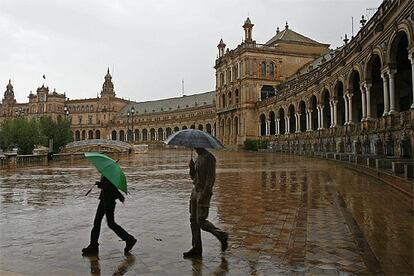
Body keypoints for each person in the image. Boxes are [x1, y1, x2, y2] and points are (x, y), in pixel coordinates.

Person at [183, 147, 228, 258]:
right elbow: (194, 177)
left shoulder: (209, 158)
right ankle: (196, 247)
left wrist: (205, 194)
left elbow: (210, 179)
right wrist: (191, 169)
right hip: (194, 191)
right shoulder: (198, 158)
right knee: (193, 220)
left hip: (203, 192)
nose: (194, 147)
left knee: (201, 221)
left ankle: (222, 235)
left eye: (196, 145)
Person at [82, 176, 137, 255]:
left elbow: (111, 187)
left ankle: (129, 239)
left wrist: (100, 184)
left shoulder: (110, 175)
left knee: (110, 223)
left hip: (109, 201)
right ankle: (93, 245)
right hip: (104, 200)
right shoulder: (107, 174)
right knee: (97, 222)